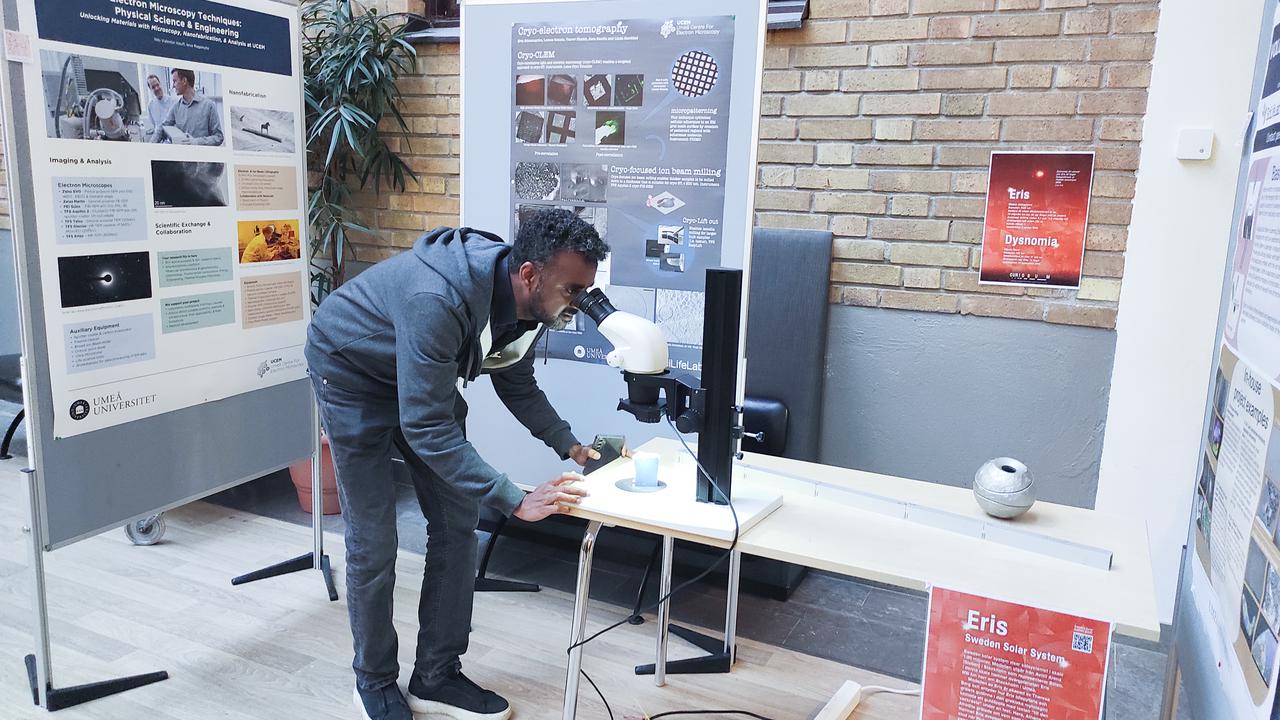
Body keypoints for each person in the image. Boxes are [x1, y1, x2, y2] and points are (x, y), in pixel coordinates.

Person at [304, 209, 609, 720]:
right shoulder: (437, 298)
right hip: (351, 373)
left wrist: (569, 445)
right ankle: (374, 680)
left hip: (421, 379)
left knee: (457, 523)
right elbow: (425, 426)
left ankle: (436, 676)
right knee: (374, 540)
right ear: (531, 273)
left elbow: (515, 379)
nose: (577, 305)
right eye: (572, 290)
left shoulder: (528, 303)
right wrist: (513, 497)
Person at [149, 68, 223, 146]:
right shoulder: (176, 107)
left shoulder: (209, 105)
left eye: (175, 81)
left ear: (184, 81)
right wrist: (150, 146)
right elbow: (162, 128)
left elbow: (219, 137)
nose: (173, 86)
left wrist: (197, 142)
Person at [143, 74, 176, 142]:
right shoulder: (150, 105)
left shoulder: (173, 101)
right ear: (150, 89)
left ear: (160, 84)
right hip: (159, 138)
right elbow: (155, 126)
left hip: (172, 139)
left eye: (157, 85)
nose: (157, 88)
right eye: (153, 87)